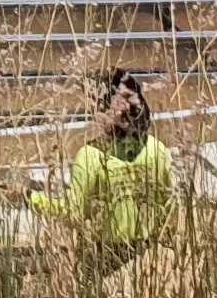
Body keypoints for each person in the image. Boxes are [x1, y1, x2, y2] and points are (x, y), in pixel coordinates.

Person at [34, 69, 174, 253]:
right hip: (148, 254)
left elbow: (72, 212)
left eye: (130, 98)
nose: (130, 107)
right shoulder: (156, 149)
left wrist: (31, 198)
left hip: (106, 255)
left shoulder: (91, 155)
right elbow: (169, 207)